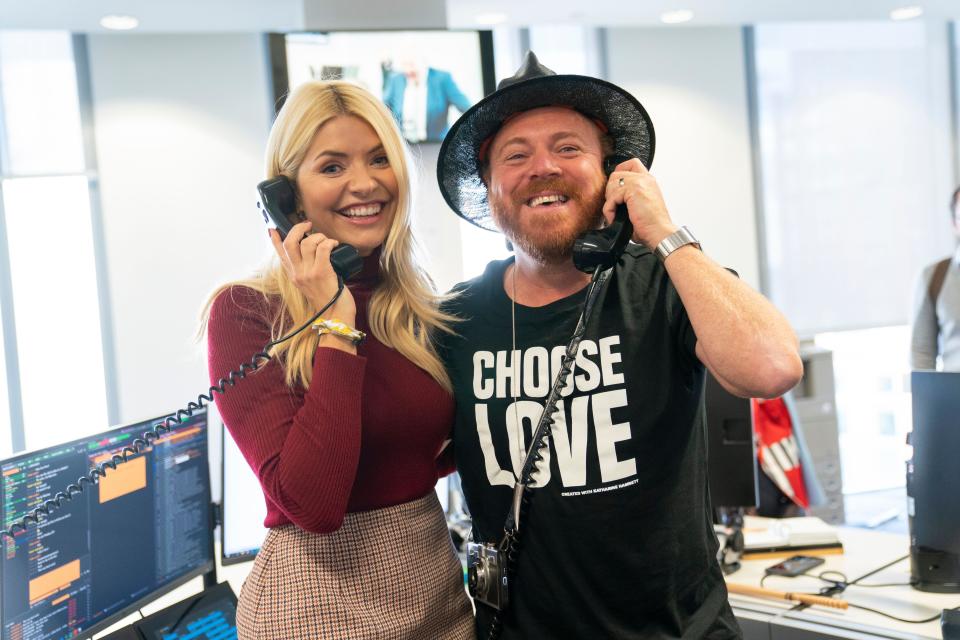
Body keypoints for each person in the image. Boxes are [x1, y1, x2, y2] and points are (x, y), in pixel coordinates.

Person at [436, 52, 804, 638]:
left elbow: (773, 367)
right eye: (516, 155)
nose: (543, 168)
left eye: (567, 148)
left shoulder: (666, 280)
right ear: (489, 184)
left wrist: (663, 232)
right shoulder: (453, 319)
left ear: (610, 170)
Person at [203, 80, 474, 640]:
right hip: (316, 602)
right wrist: (336, 318)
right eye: (331, 166)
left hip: (434, 587)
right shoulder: (248, 312)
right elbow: (313, 503)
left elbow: (424, 447)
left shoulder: (415, 304)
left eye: (380, 159)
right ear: (286, 195)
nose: (364, 182)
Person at [910, 186, 960, 371]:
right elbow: (922, 351)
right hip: (955, 395)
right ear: (955, 224)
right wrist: (926, 398)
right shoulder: (933, 277)